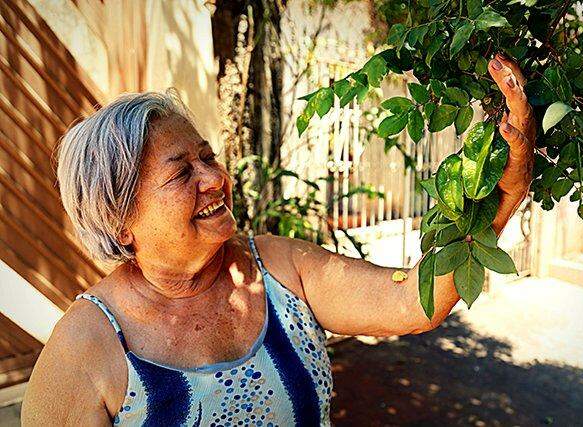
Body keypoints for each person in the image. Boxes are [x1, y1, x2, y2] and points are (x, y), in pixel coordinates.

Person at [21, 54, 534, 426]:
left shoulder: (280, 267)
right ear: (120, 223)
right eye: (181, 174)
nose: (215, 179)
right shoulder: (85, 350)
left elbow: (413, 299)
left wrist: (502, 193)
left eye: (208, 157)